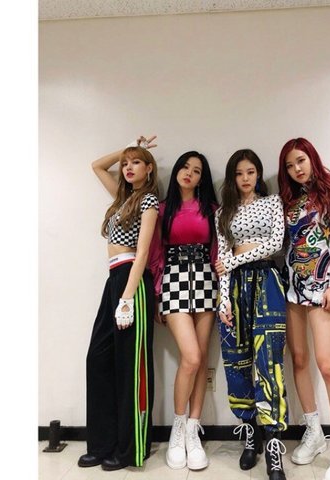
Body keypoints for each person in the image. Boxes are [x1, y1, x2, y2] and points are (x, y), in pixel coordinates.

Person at [77, 134, 159, 471]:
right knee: (98, 359)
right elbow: (97, 166)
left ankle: (129, 450)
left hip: (132, 282)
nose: (127, 167)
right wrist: (127, 147)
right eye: (125, 163)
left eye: (135, 162)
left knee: (131, 368)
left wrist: (127, 298)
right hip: (113, 279)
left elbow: (143, 252)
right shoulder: (122, 198)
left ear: (149, 168)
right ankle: (102, 443)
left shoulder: (148, 201)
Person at [277, 137, 330, 480]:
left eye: (301, 160)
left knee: (326, 364)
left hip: (322, 287)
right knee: (298, 359)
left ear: (312, 158)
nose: (296, 168)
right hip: (292, 287)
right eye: (290, 165)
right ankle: (313, 432)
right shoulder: (288, 199)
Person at [214, 149, 288, 480]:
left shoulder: (272, 203)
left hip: (267, 283)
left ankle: (273, 443)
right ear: (232, 177)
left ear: (258, 174)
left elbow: (275, 244)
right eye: (239, 173)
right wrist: (223, 301)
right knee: (236, 360)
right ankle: (250, 433)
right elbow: (222, 257)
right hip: (234, 288)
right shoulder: (223, 212)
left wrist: (234, 260)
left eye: (251, 172)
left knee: (269, 360)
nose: (245, 178)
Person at [149, 151, 218, 470]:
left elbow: (217, 250)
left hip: (206, 279)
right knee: (190, 357)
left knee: (201, 358)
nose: (189, 173)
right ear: (176, 170)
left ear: (202, 179)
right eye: (185, 167)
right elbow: (155, 253)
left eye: (197, 170)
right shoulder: (162, 209)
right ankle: (177, 428)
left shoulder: (211, 209)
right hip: (174, 280)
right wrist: (157, 295)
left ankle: (193, 430)